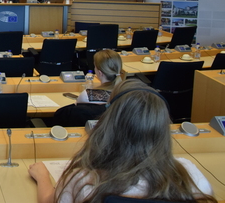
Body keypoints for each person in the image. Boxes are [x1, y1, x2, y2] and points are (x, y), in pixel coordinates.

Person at [28, 79, 216, 203]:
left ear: (107, 123)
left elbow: (49, 200)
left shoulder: (83, 181)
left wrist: (42, 176)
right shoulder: (192, 178)